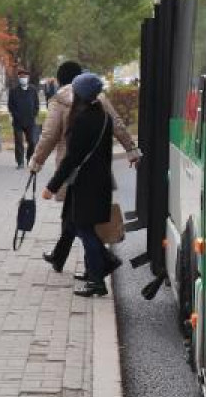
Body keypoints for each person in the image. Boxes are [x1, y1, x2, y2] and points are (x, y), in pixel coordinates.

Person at [30, 61, 140, 276]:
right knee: (73, 217)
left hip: (73, 170)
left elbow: (49, 136)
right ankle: (65, 258)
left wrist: (37, 162)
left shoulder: (61, 100)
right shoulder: (98, 98)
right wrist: (131, 149)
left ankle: (100, 265)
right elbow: (116, 123)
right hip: (93, 170)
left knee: (79, 221)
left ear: (61, 79)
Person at [43, 72, 118, 297]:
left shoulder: (83, 120)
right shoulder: (104, 116)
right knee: (80, 226)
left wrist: (52, 186)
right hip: (100, 182)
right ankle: (97, 269)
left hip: (86, 184)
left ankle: (98, 280)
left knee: (85, 230)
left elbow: (71, 159)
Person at [5, 69, 41, 168]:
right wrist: (15, 115)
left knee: (32, 142)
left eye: (25, 77)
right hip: (18, 121)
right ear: (19, 78)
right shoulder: (14, 90)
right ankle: (20, 162)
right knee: (19, 142)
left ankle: (29, 158)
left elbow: (36, 104)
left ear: (28, 78)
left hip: (30, 121)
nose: (23, 79)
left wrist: (34, 114)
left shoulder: (33, 90)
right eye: (21, 77)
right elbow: (10, 105)